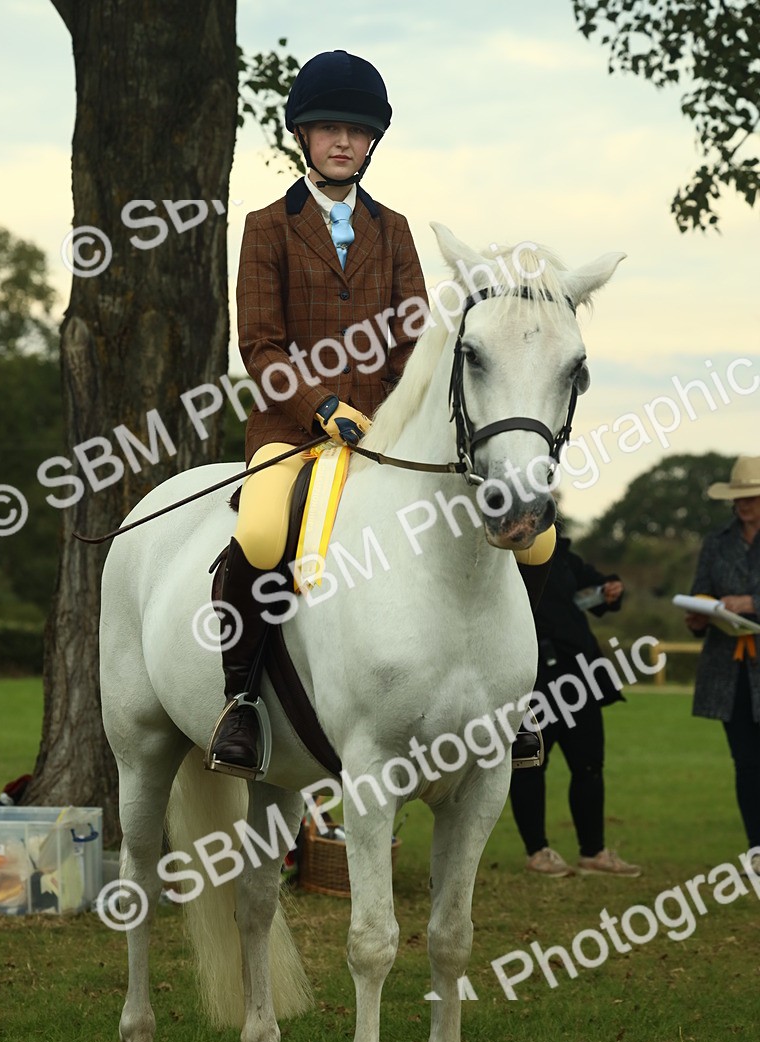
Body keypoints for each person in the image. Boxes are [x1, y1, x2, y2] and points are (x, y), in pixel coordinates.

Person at [207, 49, 556, 775]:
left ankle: (516, 695)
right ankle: (240, 700)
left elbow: (413, 342)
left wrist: (401, 412)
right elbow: (261, 344)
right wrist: (320, 405)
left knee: (538, 540)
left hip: (385, 434)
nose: (343, 142)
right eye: (328, 129)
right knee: (263, 531)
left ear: (373, 142)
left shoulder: (393, 229)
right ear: (302, 136)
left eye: (356, 131)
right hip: (293, 431)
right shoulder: (267, 226)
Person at [509, 530, 642, 877]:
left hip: (580, 674)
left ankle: (593, 852)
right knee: (530, 765)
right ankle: (537, 851)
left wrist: (611, 589)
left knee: (589, 765)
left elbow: (595, 585)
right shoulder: (505, 553)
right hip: (534, 674)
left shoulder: (560, 551)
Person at [685, 455, 760, 865]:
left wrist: (751, 603)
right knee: (746, 764)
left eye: (750, 496)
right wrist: (699, 616)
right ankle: (757, 849)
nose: (742, 503)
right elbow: (702, 591)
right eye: (738, 496)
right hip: (730, 673)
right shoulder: (716, 542)